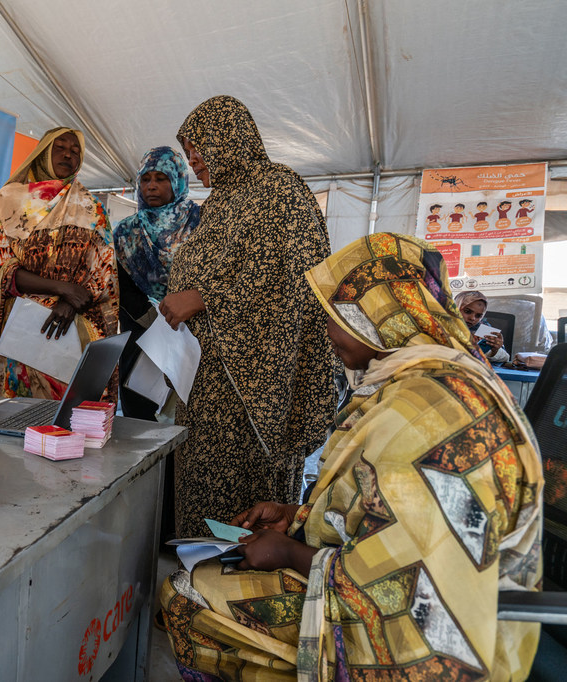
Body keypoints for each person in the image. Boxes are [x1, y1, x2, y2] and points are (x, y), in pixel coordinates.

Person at [159, 233, 542, 681]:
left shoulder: (424, 413)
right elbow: (384, 512)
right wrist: (298, 518)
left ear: (380, 314)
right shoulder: (421, 380)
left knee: (188, 595)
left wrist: (289, 551)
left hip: (428, 641)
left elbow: (401, 581)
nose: (328, 332)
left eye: (337, 316)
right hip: (402, 591)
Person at [160, 95, 336, 537]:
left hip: (255, 392)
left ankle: (238, 599)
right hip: (204, 384)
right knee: (199, 503)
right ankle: (195, 594)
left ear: (228, 137)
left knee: (242, 515)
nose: (193, 160)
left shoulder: (280, 190)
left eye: (197, 147)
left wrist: (204, 297)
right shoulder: (221, 201)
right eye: (187, 152)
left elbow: (298, 282)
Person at [0, 127, 118, 400]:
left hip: (70, 327)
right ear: (42, 153)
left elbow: (104, 270)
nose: (68, 154)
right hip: (20, 329)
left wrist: (70, 302)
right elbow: (0, 264)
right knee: (16, 410)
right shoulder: (9, 199)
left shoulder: (91, 207)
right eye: (60, 147)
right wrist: (62, 288)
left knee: (65, 416)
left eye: (75, 150)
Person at [113, 146, 200, 420]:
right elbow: (120, 287)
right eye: (145, 179)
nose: (151, 186)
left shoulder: (200, 223)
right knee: (141, 426)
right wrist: (156, 321)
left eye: (160, 179)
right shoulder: (126, 232)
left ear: (177, 180)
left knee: (183, 424)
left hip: (191, 338)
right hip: (141, 341)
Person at [455, 290, 510, 363]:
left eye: (478, 316)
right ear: (455, 308)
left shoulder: (483, 328)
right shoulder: (441, 325)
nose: (472, 318)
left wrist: (495, 351)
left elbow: (506, 358)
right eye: (467, 311)